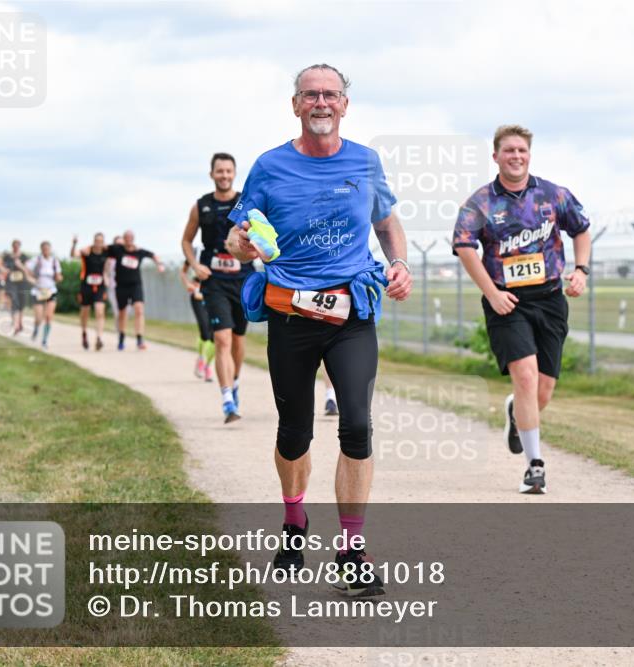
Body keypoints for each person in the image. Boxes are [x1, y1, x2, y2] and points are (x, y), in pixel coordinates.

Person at [227, 63, 412, 596]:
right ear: (296, 105)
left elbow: (386, 221)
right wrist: (245, 246)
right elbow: (240, 238)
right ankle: (293, 519)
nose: (322, 103)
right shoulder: (269, 166)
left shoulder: (366, 161)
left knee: (356, 424)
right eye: (311, 95)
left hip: (351, 313)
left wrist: (398, 262)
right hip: (290, 315)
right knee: (295, 431)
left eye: (331, 94)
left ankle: (352, 550)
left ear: (345, 105)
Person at [453, 124, 591, 495]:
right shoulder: (480, 202)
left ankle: (517, 412)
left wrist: (580, 270)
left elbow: (581, 229)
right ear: (495, 156)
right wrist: (491, 292)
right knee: (526, 377)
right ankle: (535, 466)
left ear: (529, 155)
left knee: (542, 390)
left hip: (549, 300)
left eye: (522, 151)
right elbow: (465, 247)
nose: (516, 156)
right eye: (508, 150)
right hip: (507, 302)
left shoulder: (553, 195)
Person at [181, 152, 252, 421]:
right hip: (214, 282)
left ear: (234, 173)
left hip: (243, 280)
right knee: (221, 338)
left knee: (237, 340)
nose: (224, 175)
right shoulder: (201, 206)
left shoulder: (246, 203)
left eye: (228, 171)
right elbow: (186, 241)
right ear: (211, 174)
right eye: (219, 171)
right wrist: (194, 265)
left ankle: (234, 384)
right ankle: (226, 401)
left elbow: (261, 234)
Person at [107, 230, 165, 350]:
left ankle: (139, 339)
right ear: (123, 239)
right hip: (121, 286)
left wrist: (159, 264)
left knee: (139, 309)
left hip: (135, 286)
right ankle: (121, 338)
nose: (128, 240)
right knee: (122, 313)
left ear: (133, 239)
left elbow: (153, 255)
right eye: (126, 238)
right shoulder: (117, 250)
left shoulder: (139, 252)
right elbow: (101, 248)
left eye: (130, 238)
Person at [71, 233, 109, 350]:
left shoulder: (106, 253)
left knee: (99, 311)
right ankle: (84, 333)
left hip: (100, 286)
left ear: (103, 242)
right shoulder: (86, 252)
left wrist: (106, 278)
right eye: (97, 241)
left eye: (101, 241)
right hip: (86, 286)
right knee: (85, 312)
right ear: (93, 241)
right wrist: (74, 244)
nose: (98, 243)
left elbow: (108, 266)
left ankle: (99, 338)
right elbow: (73, 255)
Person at [179, 259, 215, 382]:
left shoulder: (219, 248)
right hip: (197, 294)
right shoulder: (194, 252)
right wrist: (187, 284)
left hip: (215, 293)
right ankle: (201, 358)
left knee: (215, 335)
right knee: (205, 332)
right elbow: (183, 272)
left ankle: (208, 366)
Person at [27, 241, 64, 349]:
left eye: (48, 249)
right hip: (38, 291)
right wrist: (31, 279)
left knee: (48, 316)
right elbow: (27, 269)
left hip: (50, 291)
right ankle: (36, 328)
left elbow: (58, 275)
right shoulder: (36, 260)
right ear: (41, 249)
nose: (46, 251)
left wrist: (59, 278)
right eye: (44, 249)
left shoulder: (54, 261)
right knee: (39, 317)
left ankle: (44, 339)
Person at [2, 240, 33, 335]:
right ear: (12, 246)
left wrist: (20, 265)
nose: (15, 247)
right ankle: (16, 325)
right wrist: (5, 270)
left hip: (22, 283)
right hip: (11, 283)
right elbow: (2, 267)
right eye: (14, 246)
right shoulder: (7, 257)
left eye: (17, 245)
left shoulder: (24, 257)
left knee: (22, 303)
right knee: (14, 302)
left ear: (19, 246)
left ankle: (20, 322)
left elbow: (28, 269)